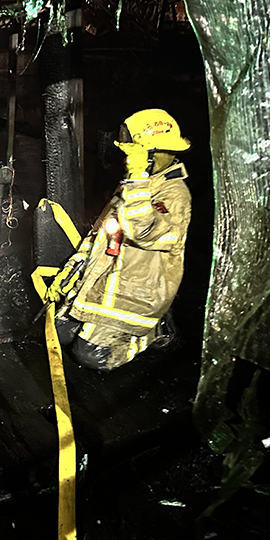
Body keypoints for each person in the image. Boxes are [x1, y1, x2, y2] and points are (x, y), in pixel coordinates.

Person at [48, 108, 192, 371]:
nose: (127, 159)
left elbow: (145, 233)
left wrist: (137, 179)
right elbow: (99, 234)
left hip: (137, 293)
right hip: (104, 280)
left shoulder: (175, 195)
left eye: (134, 152)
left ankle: (155, 332)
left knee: (90, 356)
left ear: (153, 152)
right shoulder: (132, 183)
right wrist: (70, 273)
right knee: (59, 333)